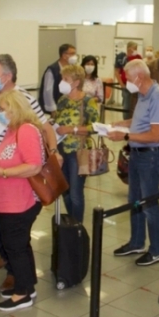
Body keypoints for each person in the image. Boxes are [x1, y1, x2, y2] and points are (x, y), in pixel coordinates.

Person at [0, 54, 57, 290]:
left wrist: (54, 151)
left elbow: (46, 127)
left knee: (15, 222)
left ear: (8, 76)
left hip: (14, 170)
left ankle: (15, 270)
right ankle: (5, 254)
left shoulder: (24, 99)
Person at [0, 90, 45, 311]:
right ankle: (27, 285)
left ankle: (22, 294)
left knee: (14, 246)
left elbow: (33, 165)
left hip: (21, 199)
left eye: (2, 109)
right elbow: (9, 157)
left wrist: (3, 173)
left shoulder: (27, 130)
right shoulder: (12, 130)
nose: (0, 113)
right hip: (9, 198)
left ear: (14, 107)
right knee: (20, 244)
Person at [108, 59, 159, 266]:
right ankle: (137, 242)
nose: (126, 82)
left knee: (149, 203)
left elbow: (155, 134)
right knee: (134, 200)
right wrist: (121, 124)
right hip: (137, 154)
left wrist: (125, 137)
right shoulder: (142, 96)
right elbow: (140, 123)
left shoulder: (158, 97)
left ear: (140, 77)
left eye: (128, 78)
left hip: (151, 156)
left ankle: (157, 250)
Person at [53, 65, 99, 223]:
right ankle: (71, 222)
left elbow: (94, 127)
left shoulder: (88, 100)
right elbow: (58, 121)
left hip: (78, 152)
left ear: (76, 82)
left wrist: (71, 129)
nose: (62, 82)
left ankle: (77, 226)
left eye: (66, 79)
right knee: (65, 190)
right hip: (61, 151)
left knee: (76, 193)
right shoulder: (62, 100)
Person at [39, 43, 77, 114]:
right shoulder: (52, 70)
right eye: (72, 53)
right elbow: (48, 92)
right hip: (55, 109)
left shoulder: (72, 68)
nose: (74, 56)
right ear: (64, 55)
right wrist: (53, 110)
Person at [115, 41, 142, 120]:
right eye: (133, 49)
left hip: (136, 86)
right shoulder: (121, 57)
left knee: (135, 105)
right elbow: (116, 71)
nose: (135, 50)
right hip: (126, 85)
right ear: (128, 49)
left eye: (136, 49)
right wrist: (122, 85)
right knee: (126, 105)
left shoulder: (138, 58)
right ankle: (126, 120)